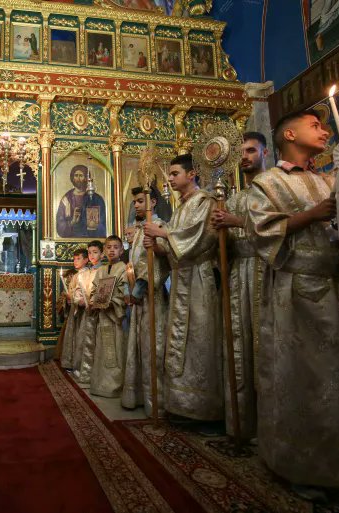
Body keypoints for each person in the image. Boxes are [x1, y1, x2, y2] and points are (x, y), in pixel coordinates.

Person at [247, 109, 339, 498]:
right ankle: (302, 462)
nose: (325, 130)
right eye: (316, 125)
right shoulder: (268, 181)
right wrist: (310, 215)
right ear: (290, 134)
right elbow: (260, 230)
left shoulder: (329, 177)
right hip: (295, 290)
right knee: (304, 377)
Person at [144, 154, 222, 430]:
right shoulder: (180, 208)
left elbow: (202, 238)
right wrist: (157, 244)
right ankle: (180, 405)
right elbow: (174, 247)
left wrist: (164, 234)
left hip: (200, 280)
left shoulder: (206, 202)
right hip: (180, 280)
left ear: (192, 174)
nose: (170, 179)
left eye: (175, 173)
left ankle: (204, 408)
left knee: (200, 340)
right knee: (180, 343)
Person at [209, 132, 268, 439]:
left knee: (264, 344)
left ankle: (269, 425)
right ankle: (243, 421)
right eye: (241, 152)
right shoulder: (233, 198)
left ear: (265, 152)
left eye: (251, 150)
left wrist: (236, 223)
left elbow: (280, 226)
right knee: (239, 345)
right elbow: (224, 245)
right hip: (236, 274)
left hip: (266, 271)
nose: (245, 156)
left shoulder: (274, 188)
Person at [121, 188, 168, 417]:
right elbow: (134, 263)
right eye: (135, 202)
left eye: (141, 201)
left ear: (153, 202)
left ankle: (156, 401)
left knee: (153, 346)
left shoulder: (159, 226)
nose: (136, 205)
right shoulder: (139, 229)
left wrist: (141, 287)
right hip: (138, 297)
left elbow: (161, 260)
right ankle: (139, 396)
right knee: (138, 345)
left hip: (153, 295)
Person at [89, 236, 128, 398]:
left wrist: (113, 302)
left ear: (121, 250)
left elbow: (125, 292)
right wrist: (94, 300)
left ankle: (116, 386)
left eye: (116, 247)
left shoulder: (124, 268)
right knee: (102, 351)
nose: (112, 250)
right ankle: (100, 384)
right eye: (109, 247)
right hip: (103, 316)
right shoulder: (101, 271)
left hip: (116, 317)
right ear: (104, 251)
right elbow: (94, 290)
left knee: (117, 350)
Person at [73, 240, 104, 382]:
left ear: (102, 254)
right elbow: (79, 289)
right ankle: (85, 370)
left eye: (95, 252)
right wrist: (78, 299)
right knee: (85, 341)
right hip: (87, 313)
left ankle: (96, 373)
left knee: (97, 343)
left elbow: (104, 291)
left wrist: (93, 302)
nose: (91, 255)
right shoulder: (86, 272)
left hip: (99, 314)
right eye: (90, 252)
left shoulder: (103, 270)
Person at [56, 164, 107, 238]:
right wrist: (72, 222)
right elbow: (60, 225)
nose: (78, 178)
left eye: (81, 175)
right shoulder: (66, 199)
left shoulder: (96, 199)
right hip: (71, 238)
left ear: (86, 178)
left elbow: (103, 224)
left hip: (91, 239)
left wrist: (92, 223)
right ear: (72, 178)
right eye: (76, 175)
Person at [59, 248, 90, 369]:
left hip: (82, 311)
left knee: (79, 335)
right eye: (74, 259)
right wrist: (68, 298)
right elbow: (72, 293)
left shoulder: (86, 274)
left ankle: (78, 363)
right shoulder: (76, 275)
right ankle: (71, 361)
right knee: (73, 334)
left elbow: (83, 294)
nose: (75, 262)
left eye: (78, 259)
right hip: (74, 309)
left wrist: (72, 298)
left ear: (86, 260)